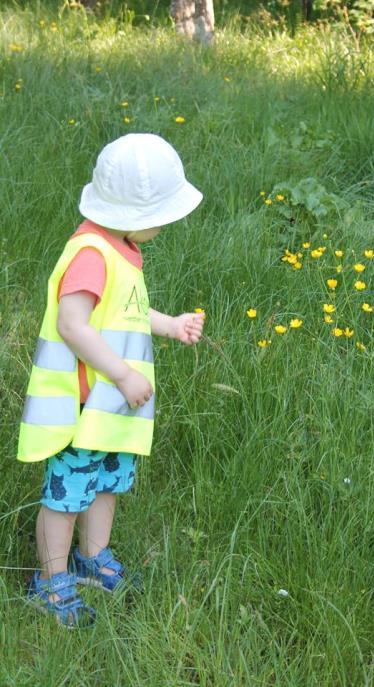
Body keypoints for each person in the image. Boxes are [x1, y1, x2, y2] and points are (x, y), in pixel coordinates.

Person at [17, 133, 205, 628]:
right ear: (132, 214)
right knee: (66, 496)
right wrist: (122, 374)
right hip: (81, 409)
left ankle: (92, 559)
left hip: (111, 411)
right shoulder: (91, 254)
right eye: (160, 216)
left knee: (104, 486)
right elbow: (72, 323)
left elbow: (127, 312)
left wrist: (170, 324)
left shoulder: (117, 248)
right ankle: (52, 580)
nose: (164, 224)